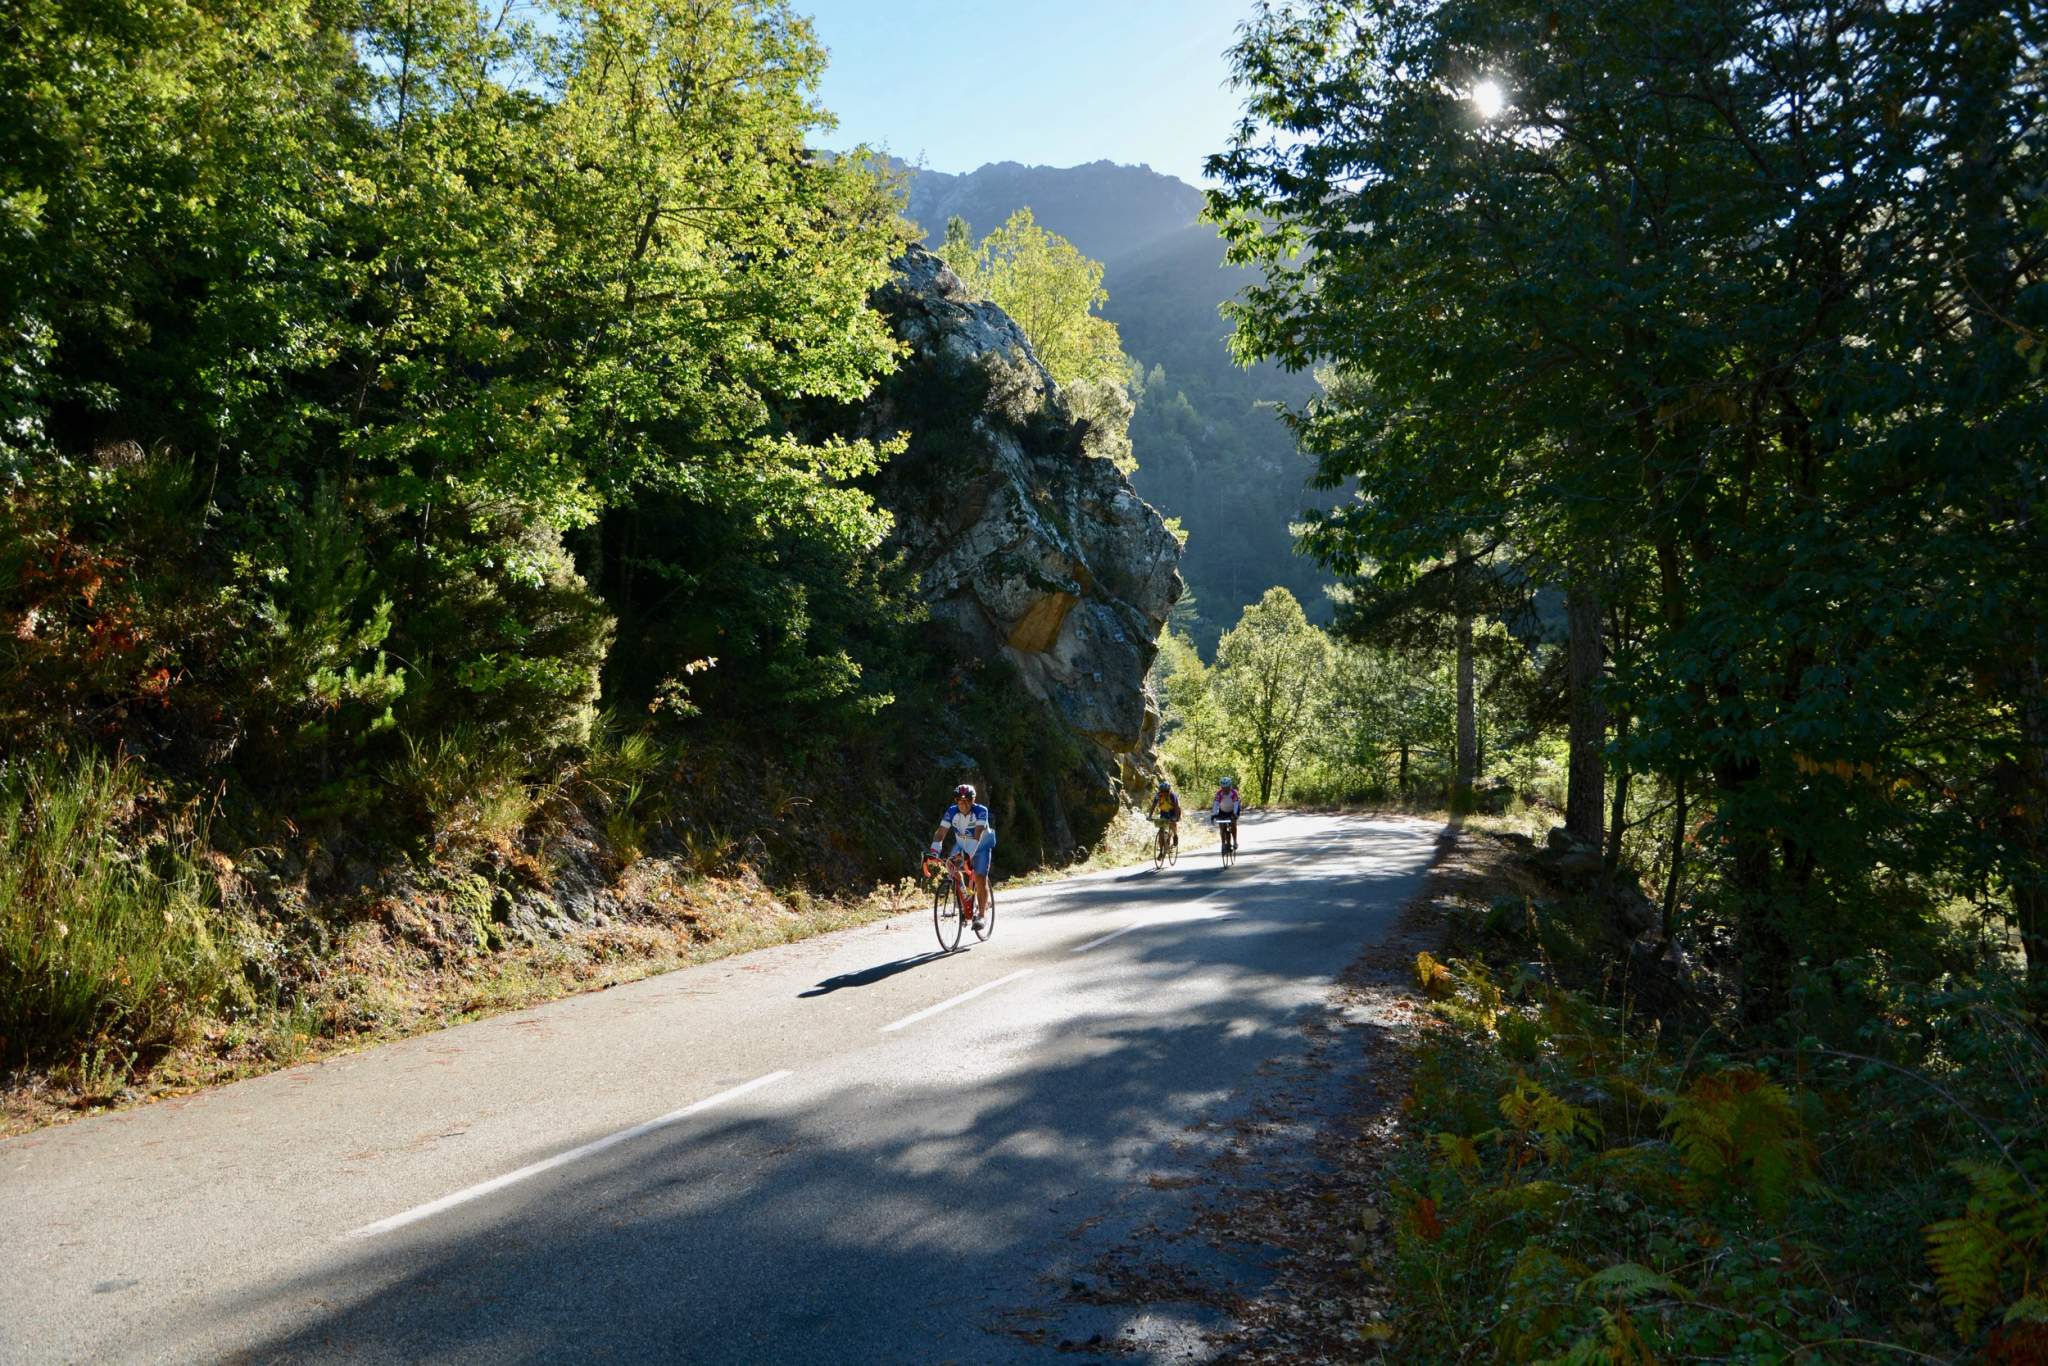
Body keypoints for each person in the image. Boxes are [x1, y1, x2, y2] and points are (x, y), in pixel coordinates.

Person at [929, 784, 995, 922]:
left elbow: (977, 834)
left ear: (973, 800)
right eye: (960, 800)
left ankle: (982, 915)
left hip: (981, 846)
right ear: (956, 800)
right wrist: (934, 852)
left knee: (980, 877)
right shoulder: (951, 811)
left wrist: (967, 855)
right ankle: (965, 897)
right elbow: (941, 832)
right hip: (962, 845)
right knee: (950, 865)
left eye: (967, 800)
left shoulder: (981, 810)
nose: (963, 804)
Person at [1148, 777, 1182, 857]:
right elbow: (1153, 806)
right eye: (1162, 791)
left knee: (1172, 823)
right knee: (1161, 832)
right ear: (1160, 791)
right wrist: (1150, 816)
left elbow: (1177, 807)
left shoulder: (1172, 796)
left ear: (1169, 790)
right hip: (1163, 812)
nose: (1164, 793)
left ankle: (1175, 835)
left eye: (1166, 791)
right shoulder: (1158, 795)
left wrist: (1176, 817)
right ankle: (1161, 852)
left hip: (1173, 811)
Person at [1212, 776, 1244, 853]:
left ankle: (1235, 841)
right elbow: (1216, 804)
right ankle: (1223, 844)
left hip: (1232, 810)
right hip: (1222, 810)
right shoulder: (1219, 793)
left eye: (1227, 788)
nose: (1225, 790)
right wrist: (1214, 814)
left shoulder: (1233, 793)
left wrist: (1235, 814)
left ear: (1230, 786)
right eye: (1223, 788)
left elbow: (1236, 805)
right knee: (1222, 827)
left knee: (1233, 824)